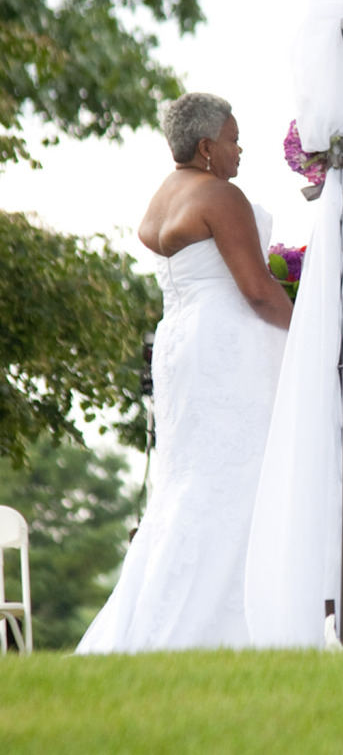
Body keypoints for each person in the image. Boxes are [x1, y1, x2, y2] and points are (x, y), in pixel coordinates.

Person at [77, 93, 293, 653]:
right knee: (242, 468)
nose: (240, 148)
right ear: (206, 147)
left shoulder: (161, 197)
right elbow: (257, 291)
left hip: (178, 341)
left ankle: (160, 617)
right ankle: (231, 620)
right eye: (233, 138)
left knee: (190, 478)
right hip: (228, 342)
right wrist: (314, 335)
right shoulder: (221, 195)